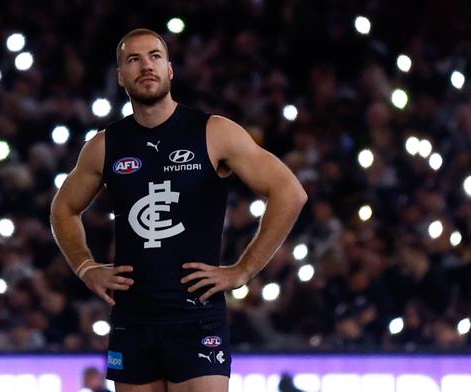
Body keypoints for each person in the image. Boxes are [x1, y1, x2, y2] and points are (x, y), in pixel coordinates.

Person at [50, 29, 307, 392]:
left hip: (196, 315)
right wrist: (85, 267)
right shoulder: (104, 146)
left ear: (170, 69)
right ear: (121, 76)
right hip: (133, 317)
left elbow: (289, 192)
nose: (146, 66)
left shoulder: (214, 132)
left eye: (155, 56)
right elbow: (63, 209)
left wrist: (243, 270)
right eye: (133, 59)